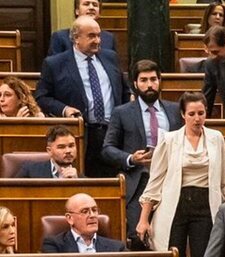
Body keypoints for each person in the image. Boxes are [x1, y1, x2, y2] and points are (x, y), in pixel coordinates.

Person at [137, 92, 225, 257]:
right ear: (182, 115)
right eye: (192, 114)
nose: (197, 118)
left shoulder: (216, 138)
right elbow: (156, 181)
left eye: (201, 113)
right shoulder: (169, 139)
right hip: (176, 204)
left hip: (206, 205)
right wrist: (143, 219)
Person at [35, 17, 125, 176]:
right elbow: (42, 97)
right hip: (81, 133)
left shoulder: (110, 57)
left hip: (112, 132)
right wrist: (64, 109)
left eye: (98, 36)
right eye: (91, 36)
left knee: (112, 183)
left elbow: (124, 89)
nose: (97, 40)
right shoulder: (55, 64)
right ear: (76, 38)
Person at [104, 60, 182, 235]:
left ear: (160, 81)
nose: (149, 85)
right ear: (135, 84)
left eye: (153, 79)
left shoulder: (175, 110)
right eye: (144, 80)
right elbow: (107, 149)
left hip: (170, 177)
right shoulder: (121, 112)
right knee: (139, 235)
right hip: (139, 179)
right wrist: (131, 158)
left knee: (172, 233)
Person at [41, 191, 126, 252]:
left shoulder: (117, 248)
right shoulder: (54, 246)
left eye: (94, 210)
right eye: (85, 211)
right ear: (70, 218)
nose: (92, 215)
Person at [47, 0, 115, 56]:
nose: (91, 7)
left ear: (99, 13)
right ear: (77, 11)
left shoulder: (109, 38)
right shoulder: (60, 37)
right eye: (86, 4)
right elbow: (55, 69)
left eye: (95, 5)